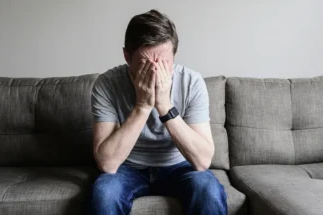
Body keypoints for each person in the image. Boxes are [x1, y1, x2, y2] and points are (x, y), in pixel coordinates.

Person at [88, 9, 227, 215]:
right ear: (127, 56)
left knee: (208, 190)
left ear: (174, 55)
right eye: (145, 63)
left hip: (179, 166)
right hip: (128, 167)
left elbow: (202, 161)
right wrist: (142, 107)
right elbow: (107, 164)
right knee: (104, 193)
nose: (155, 71)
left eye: (164, 62)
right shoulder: (107, 84)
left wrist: (165, 106)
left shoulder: (191, 82)